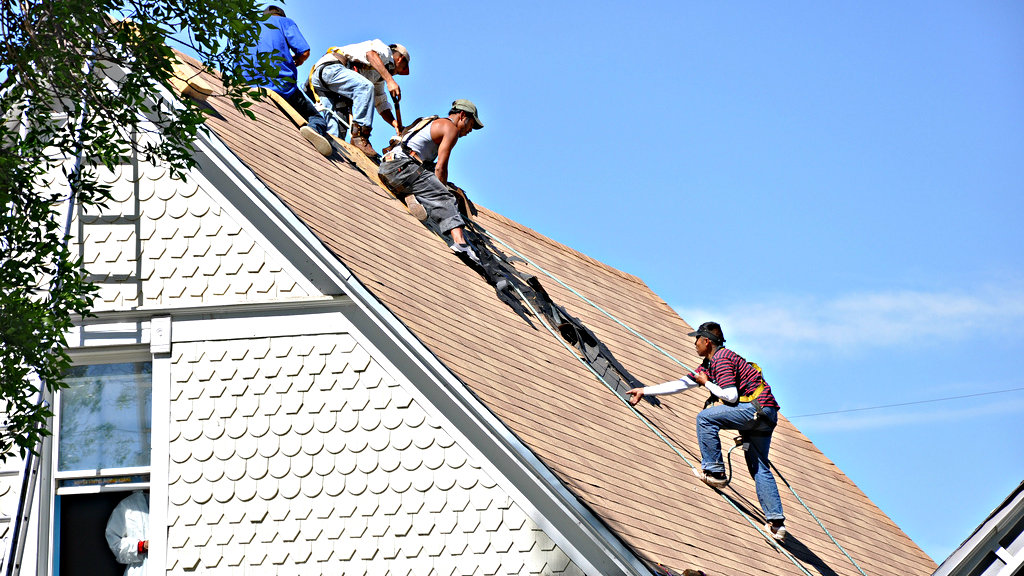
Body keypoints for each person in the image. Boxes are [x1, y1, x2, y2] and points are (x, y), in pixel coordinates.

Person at [627, 322, 789, 542]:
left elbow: (730, 396)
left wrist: (707, 384)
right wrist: (645, 391)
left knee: (705, 419)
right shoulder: (709, 364)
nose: (694, 344)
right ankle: (776, 524)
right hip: (765, 415)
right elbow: (681, 384)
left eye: (696, 340)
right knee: (759, 465)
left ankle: (715, 472)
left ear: (706, 341)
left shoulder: (721, 360)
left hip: (754, 410)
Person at [377, 100, 483, 262]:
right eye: (471, 125)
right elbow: (441, 168)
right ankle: (460, 243)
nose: (470, 131)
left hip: (389, 167)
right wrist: (442, 192)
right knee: (446, 197)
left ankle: (413, 197)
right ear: (462, 116)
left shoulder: (432, 122)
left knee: (428, 178)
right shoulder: (450, 128)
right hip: (403, 168)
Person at [243, 5, 333, 157]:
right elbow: (304, 52)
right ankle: (314, 129)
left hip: (246, 83)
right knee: (317, 117)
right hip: (278, 84)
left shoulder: (247, 28)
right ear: (280, 15)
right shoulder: (284, 22)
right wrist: (298, 60)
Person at [307, 39, 410, 156]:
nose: (396, 73)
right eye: (401, 69)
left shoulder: (378, 76)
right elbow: (370, 54)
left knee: (334, 135)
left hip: (328, 85)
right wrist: (390, 80)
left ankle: (316, 144)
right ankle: (360, 137)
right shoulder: (385, 51)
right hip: (331, 69)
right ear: (400, 59)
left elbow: (380, 103)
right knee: (365, 87)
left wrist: (394, 123)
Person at [105, 490, 150, 576]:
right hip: (140, 570)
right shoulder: (128, 506)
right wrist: (141, 546)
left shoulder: (169, 500)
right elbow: (115, 543)